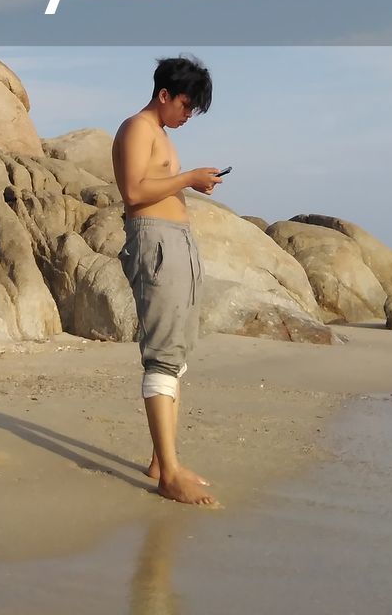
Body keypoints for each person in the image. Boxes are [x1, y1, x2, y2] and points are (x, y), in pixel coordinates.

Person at [113, 55, 221, 507]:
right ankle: (168, 476)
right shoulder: (137, 127)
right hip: (156, 242)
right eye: (186, 105)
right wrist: (189, 177)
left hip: (175, 242)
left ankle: (163, 460)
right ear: (164, 95)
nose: (188, 115)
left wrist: (188, 184)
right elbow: (134, 192)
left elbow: (154, 184)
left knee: (177, 352)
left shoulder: (159, 134)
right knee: (162, 355)